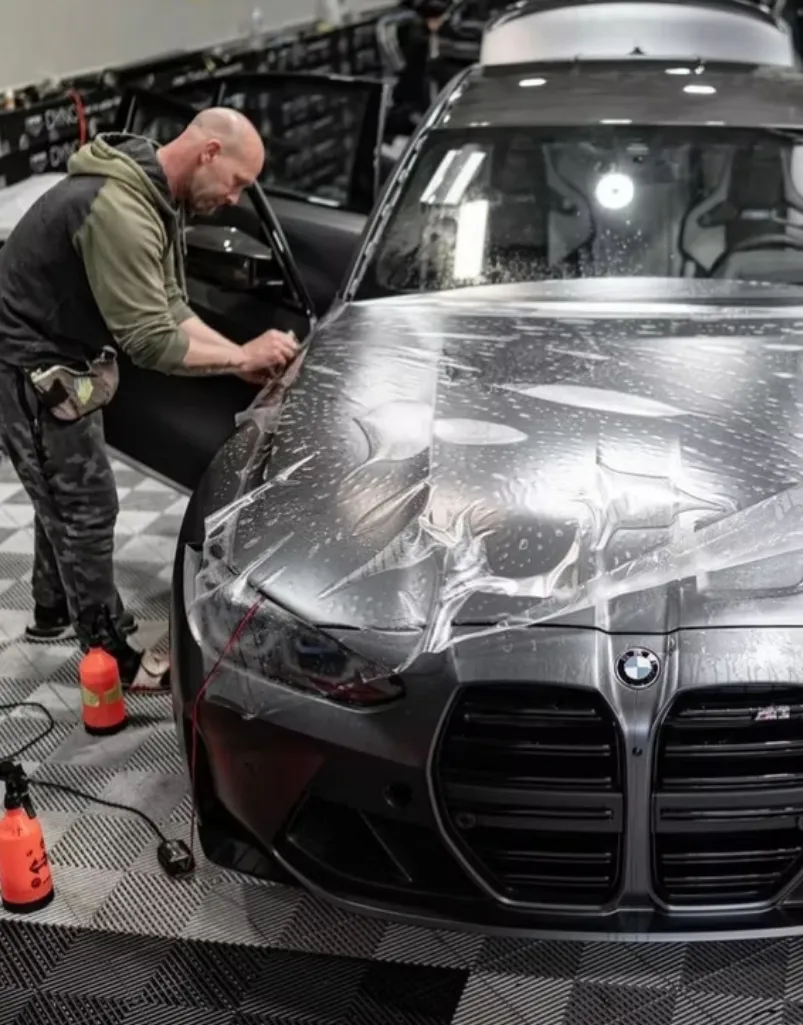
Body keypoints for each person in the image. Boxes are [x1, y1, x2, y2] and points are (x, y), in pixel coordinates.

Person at [0, 107, 299, 690]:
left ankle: (52, 608)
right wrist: (242, 359)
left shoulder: (151, 197)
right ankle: (106, 647)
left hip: (66, 359)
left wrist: (238, 354)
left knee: (61, 491)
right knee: (87, 507)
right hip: (28, 367)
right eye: (237, 183)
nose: (236, 199)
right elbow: (151, 341)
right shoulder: (120, 209)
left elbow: (172, 307)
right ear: (210, 153)